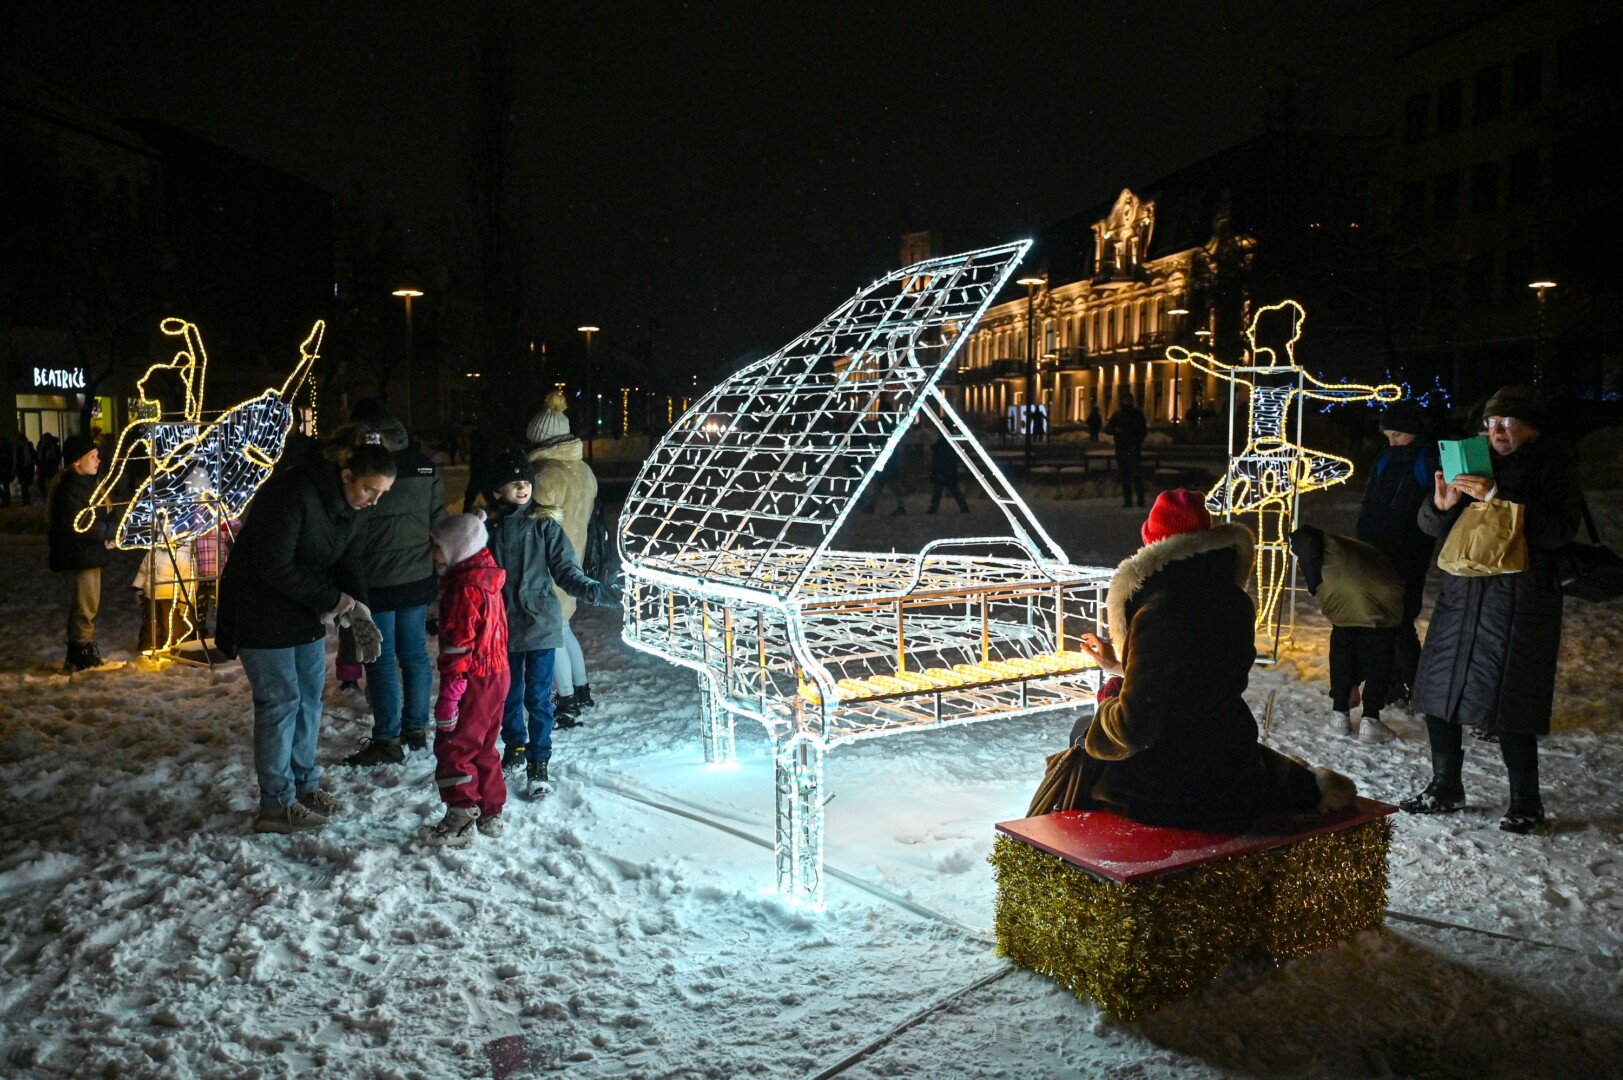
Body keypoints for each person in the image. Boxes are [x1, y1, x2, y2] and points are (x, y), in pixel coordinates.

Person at [1069, 490, 1354, 829]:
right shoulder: (1234, 601)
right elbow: (1194, 679)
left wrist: (1109, 700)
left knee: (1082, 732)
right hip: (1228, 765)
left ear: (1152, 545)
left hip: (1169, 789)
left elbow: (1134, 729)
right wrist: (1117, 666)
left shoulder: (1157, 610)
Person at [1401, 385, 1582, 834]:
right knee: (1439, 691)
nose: (1497, 431)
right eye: (1491, 422)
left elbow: (1558, 530)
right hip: (1460, 596)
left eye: (1508, 422)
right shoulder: (1472, 461)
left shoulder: (1551, 465)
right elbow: (1429, 525)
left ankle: (1526, 801)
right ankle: (1445, 785)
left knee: (1509, 700)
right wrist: (1440, 505)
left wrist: (1497, 496)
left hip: (1518, 600)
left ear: (1531, 428)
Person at [216, 430, 396, 834]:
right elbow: (272, 565)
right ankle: (276, 804)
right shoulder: (294, 491)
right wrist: (336, 601)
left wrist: (360, 610)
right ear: (346, 475)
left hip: (304, 611)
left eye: (382, 493)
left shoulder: (355, 507)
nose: (374, 500)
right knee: (280, 704)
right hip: (260, 611)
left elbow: (350, 560)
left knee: (309, 701)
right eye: (370, 489)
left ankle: (304, 786)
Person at [483, 451, 620, 796]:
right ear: (498, 489)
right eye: (515, 482)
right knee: (509, 695)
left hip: (540, 622)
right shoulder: (488, 528)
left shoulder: (544, 525)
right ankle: (515, 747)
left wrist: (594, 590)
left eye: (527, 481)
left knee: (539, 697)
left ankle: (538, 762)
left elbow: (566, 570)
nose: (523, 487)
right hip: (502, 624)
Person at [340, 400, 449, 766]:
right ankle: (416, 730)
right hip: (416, 576)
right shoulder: (424, 466)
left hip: (376, 579)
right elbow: (439, 520)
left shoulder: (363, 467)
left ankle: (387, 738)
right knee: (415, 653)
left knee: (382, 658)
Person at [421, 510, 511, 846]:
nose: (433, 553)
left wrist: (451, 692)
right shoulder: (487, 577)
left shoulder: (464, 589)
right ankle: (490, 810)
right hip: (497, 674)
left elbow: (459, 644)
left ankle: (460, 817)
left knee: (455, 744)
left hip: (473, 679)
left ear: (458, 549)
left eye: (439, 546)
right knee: (484, 744)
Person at [1288, 526, 1404, 743]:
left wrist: (1350, 685)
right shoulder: (1337, 546)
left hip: (1355, 591)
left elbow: (1316, 586)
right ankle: (1371, 719)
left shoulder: (1317, 553)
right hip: (1382, 589)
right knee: (1379, 648)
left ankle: (1339, 714)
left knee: (1344, 637)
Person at [1356, 401, 1439, 703]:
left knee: (1401, 621)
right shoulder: (1384, 460)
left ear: (1413, 431)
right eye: (1388, 436)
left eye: (1398, 435)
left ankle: (1417, 687)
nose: (1392, 442)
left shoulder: (1427, 460)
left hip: (1410, 554)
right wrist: (1363, 538)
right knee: (1381, 620)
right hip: (1377, 550)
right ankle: (1389, 684)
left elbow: (1435, 508)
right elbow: (1369, 502)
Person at [527, 390, 600, 727]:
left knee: (552, 635)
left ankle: (567, 699)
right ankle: (582, 690)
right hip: (574, 562)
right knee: (564, 629)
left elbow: (535, 529)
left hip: (548, 566)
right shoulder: (583, 471)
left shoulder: (544, 476)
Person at [47, 435, 115, 671]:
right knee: (84, 605)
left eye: (97, 455)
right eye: (92, 456)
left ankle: (80, 648)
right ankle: (80, 649)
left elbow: (107, 515)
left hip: (89, 553)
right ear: (77, 461)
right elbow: (82, 525)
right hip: (77, 556)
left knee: (89, 603)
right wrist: (108, 531)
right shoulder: (69, 490)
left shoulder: (90, 486)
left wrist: (110, 533)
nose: (98, 460)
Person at [1105, 394, 1148, 508]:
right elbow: (1108, 429)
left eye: (1128, 400)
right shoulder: (1119, 415)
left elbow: (1143, 431)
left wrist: (1137, 442)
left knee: (1136, 475)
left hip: (1132, 448)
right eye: (1125, 400)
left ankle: (1140, 499)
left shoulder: (1136, 415)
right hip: (1122, 448)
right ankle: (1128, 500)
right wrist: (1115, 430)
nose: (1126, 402)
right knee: (1126, 476)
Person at [927, 432, 969, 514]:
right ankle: (964, 507)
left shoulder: (941, 444)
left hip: (942, 470)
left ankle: (933, 509)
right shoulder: (949, 444)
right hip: (947, 470)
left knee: (938, 491)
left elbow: (938, 456)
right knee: (953, 490)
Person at [37, 432, 61, 500]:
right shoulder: (42, 446)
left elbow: (58, 456)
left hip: (51, 465)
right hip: (44, 466)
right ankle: (47, 496)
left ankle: (51, 496)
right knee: (41, 482)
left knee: (52, 482)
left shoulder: (53, 446)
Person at [14, 436, 36, 507]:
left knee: (24, 485)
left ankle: (26, 501)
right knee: (24, 485)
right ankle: (26, 501)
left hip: (25, 468)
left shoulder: (20, 448)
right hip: (25, 468)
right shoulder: (26, 448)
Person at [0, 434, 13, 509]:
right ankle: (5, 500)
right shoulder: (6, 449)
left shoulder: (6, 449)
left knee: (6, 486)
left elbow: (8, 460)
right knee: (6, 486)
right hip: (4, 470)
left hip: (5, 470)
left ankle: (6, 500)